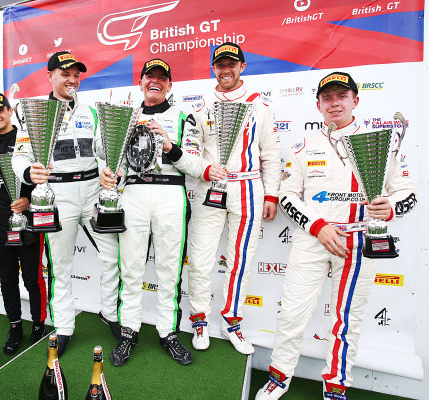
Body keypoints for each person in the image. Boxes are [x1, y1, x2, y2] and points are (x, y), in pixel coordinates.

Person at [255, 72, 418, 399]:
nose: (334, 103)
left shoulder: (379, 142)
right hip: (313, 240)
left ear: (355, 101)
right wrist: (319, 227)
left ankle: (336, 384)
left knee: (346, 321)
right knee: (292, 313)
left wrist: (391, 208)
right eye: (327, 98)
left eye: (341, 96)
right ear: (318, 105)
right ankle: (279, 375)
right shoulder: (303, 146)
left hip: (360, 245)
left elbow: (407, 194)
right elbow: (288, 195)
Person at [11, 51, 120, 356]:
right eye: (65, 73)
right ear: (50, 76)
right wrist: (28, 172)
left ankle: (110, 312)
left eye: (76, 74)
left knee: (113, 255)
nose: (72, 79)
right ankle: (64, 327)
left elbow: (102, 150)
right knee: (61, 265)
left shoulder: (92, 111)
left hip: (92, 189)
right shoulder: (34, 112)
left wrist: (112, 164)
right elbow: (20, 155)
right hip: (58, 194)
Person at [100, 59, 205, 366]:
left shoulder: (185, 116)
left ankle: (168, 333)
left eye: (162, 77)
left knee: (169, 269)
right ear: (142, 82)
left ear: (169, 85)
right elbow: (114, 162)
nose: (155, 81)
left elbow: (197, 167)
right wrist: (111, 174)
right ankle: (129, 332)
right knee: (131, 268)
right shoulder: (125, 116)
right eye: (150, 76)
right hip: (133, 192)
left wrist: (171, 147)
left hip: (171, 192)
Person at [186, 42, 282, 354]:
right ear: (213, 68)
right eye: (220, 64)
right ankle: (199, 317)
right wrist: (205, 170)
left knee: (242, 260)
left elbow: (271, 153)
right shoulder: (200, 108)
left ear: (242, 66)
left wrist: (272, 194)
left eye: (232, 63)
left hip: (249, 189)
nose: (225, 70)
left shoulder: (261, 107)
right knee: (200, 260)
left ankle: (231, 319)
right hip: (209, 188)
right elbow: (190, 153)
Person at [0, 92, 48, 355]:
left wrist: (28, 201)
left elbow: (41, 174)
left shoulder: (26, 138)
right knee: (7, 277)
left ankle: (39, 325)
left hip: (28, 218)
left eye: (0, 110)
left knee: (32, 276)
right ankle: (15, 326)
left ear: (9, 111)